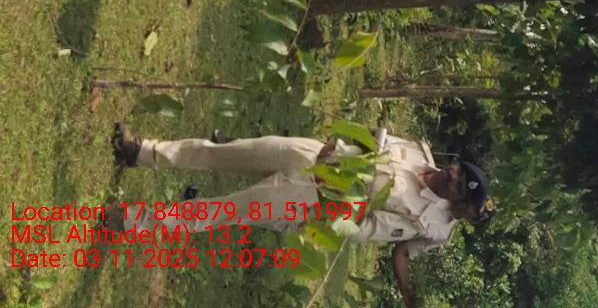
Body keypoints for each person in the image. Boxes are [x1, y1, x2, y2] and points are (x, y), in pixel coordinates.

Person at [107, 123, 494, 306]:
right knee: (220, 152)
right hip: (311, 153)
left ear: (458, 203)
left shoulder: (431, 225)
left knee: (219, 212)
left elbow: (392, 245)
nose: (453, 178)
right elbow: (368, 137)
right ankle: (141, 152)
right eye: (459, 173)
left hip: (310, 200)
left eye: (459, 187)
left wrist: (410, 295)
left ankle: (130, 221)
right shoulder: (418, 151)